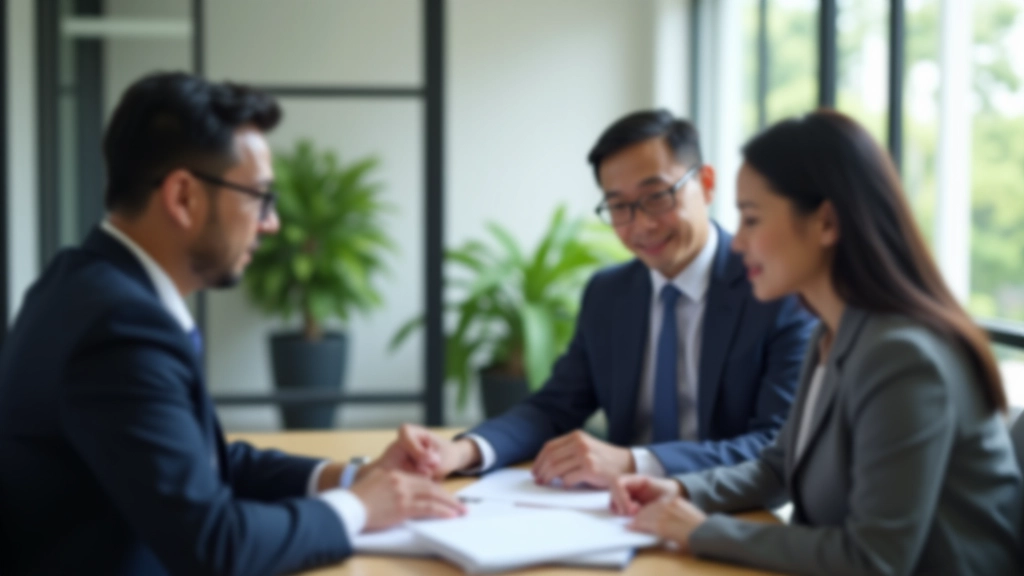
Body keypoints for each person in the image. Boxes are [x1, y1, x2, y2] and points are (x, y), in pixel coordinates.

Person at [0, 72, 464, 576]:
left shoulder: (84, 282)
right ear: (183, 197)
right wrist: (359, 509)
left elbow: (203, 462)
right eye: (258, 196)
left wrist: (355, 478)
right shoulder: (120, 328)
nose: (271, 223)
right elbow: (215, 547)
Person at [610, 109, 1024, 575]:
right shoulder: (833, 331)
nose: (739, 243)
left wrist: (702, 531)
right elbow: (778, 467)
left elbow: (873, 560)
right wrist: (683, 492)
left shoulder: (903, 356)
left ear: (826, 223)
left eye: (751, 219)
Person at [386, 110, 816, 487]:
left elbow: (773, 444)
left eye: (657, 196)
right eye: (619, 207)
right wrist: (463, 453)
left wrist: (635, 462)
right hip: (619, 514)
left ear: (705, 184)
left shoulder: (776, 291)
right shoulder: (609, 294)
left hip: (728, 511)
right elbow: (554, 408)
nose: (641, 224)